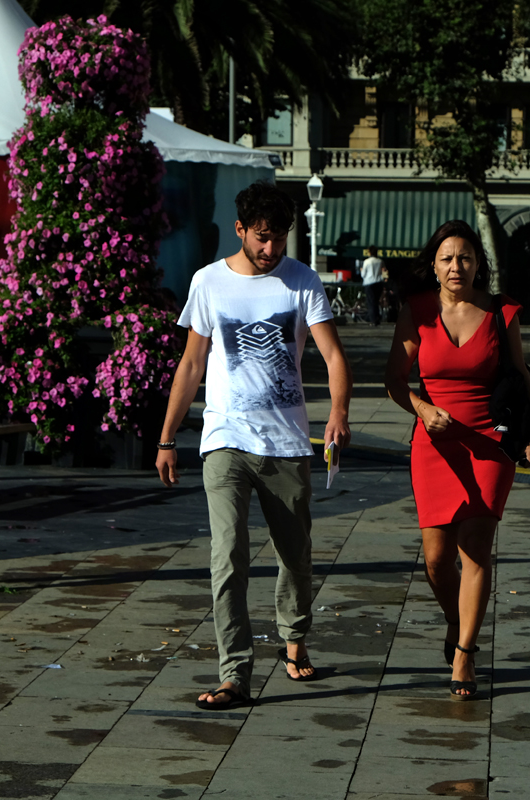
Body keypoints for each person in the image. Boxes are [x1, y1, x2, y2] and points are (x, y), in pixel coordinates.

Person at [156, 182, 353, 709]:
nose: (271, 250)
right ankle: (234, 673)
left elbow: (333, 356)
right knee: (228, 555)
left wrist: (338, 411)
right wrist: (167, 437)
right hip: (225, 440)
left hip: (286, 443)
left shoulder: (301, 282)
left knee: (296, 555)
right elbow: (192, 365)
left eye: (280, 239)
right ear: (241, 229)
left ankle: (294, 637)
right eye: (262, 238)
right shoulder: (209, 283)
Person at [384, 220, 530, 701]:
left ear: (479, 264)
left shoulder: (500, 312)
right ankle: (457, 620)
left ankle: (465, 655)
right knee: (436, 560)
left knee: (475, 548)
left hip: (491, 444)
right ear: (433, 265)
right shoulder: (417, 312)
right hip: (433, 444)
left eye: (466, 258)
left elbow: (519, 376)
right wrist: (421, 408)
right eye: (448, 258)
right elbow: (394, 382)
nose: (458, 267)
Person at [361, 246, 384, 326]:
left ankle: (373, 319)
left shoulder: (367, 262)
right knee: (376, 301)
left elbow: (363, 274)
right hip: (378, 282)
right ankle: (377, 318)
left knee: (371, 301)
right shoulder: (380, 261)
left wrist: (361, 271)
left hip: (369, 282)